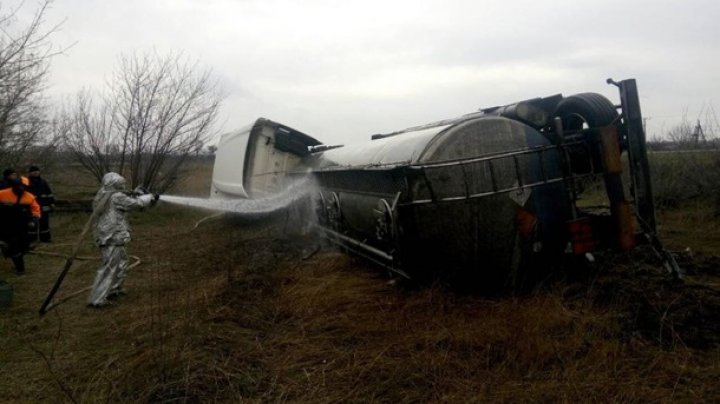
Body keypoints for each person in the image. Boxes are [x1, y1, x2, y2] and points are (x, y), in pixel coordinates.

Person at [88, 172, 158, 307]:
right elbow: (136, 204)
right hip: (112, 235)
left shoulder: (103, 193)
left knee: (122, 262)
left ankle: (114, 288)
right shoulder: (116, 196)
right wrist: (149, 197)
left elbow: (122, 199)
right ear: (114, 184)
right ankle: (97, 299)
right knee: (110, 266)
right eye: (120, 184)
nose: (123, 186)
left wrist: (133, 193)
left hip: (112, 234)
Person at [0, 171, 41, 274]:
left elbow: (36, 208)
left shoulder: (29, 197)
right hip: (7, 226)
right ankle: (20, 268)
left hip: (22, 226)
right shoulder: (2, 194)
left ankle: (11, 253)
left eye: (22, 187)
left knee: (23, 246)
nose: (20, 189)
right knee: (14, 247)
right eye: (18, 187)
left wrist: (34, 219)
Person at [26, 166, 55, 242]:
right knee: (32, 224)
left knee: (44, 224)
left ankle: (45, 238)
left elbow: (49, 193)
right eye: (33, 171)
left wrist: (51, 203)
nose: (36, 172)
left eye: (37, 171)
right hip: (32, 207)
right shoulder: (26, 182)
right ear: (30, 173)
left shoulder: (43, 182)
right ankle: (31, 240)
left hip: (44, 206)